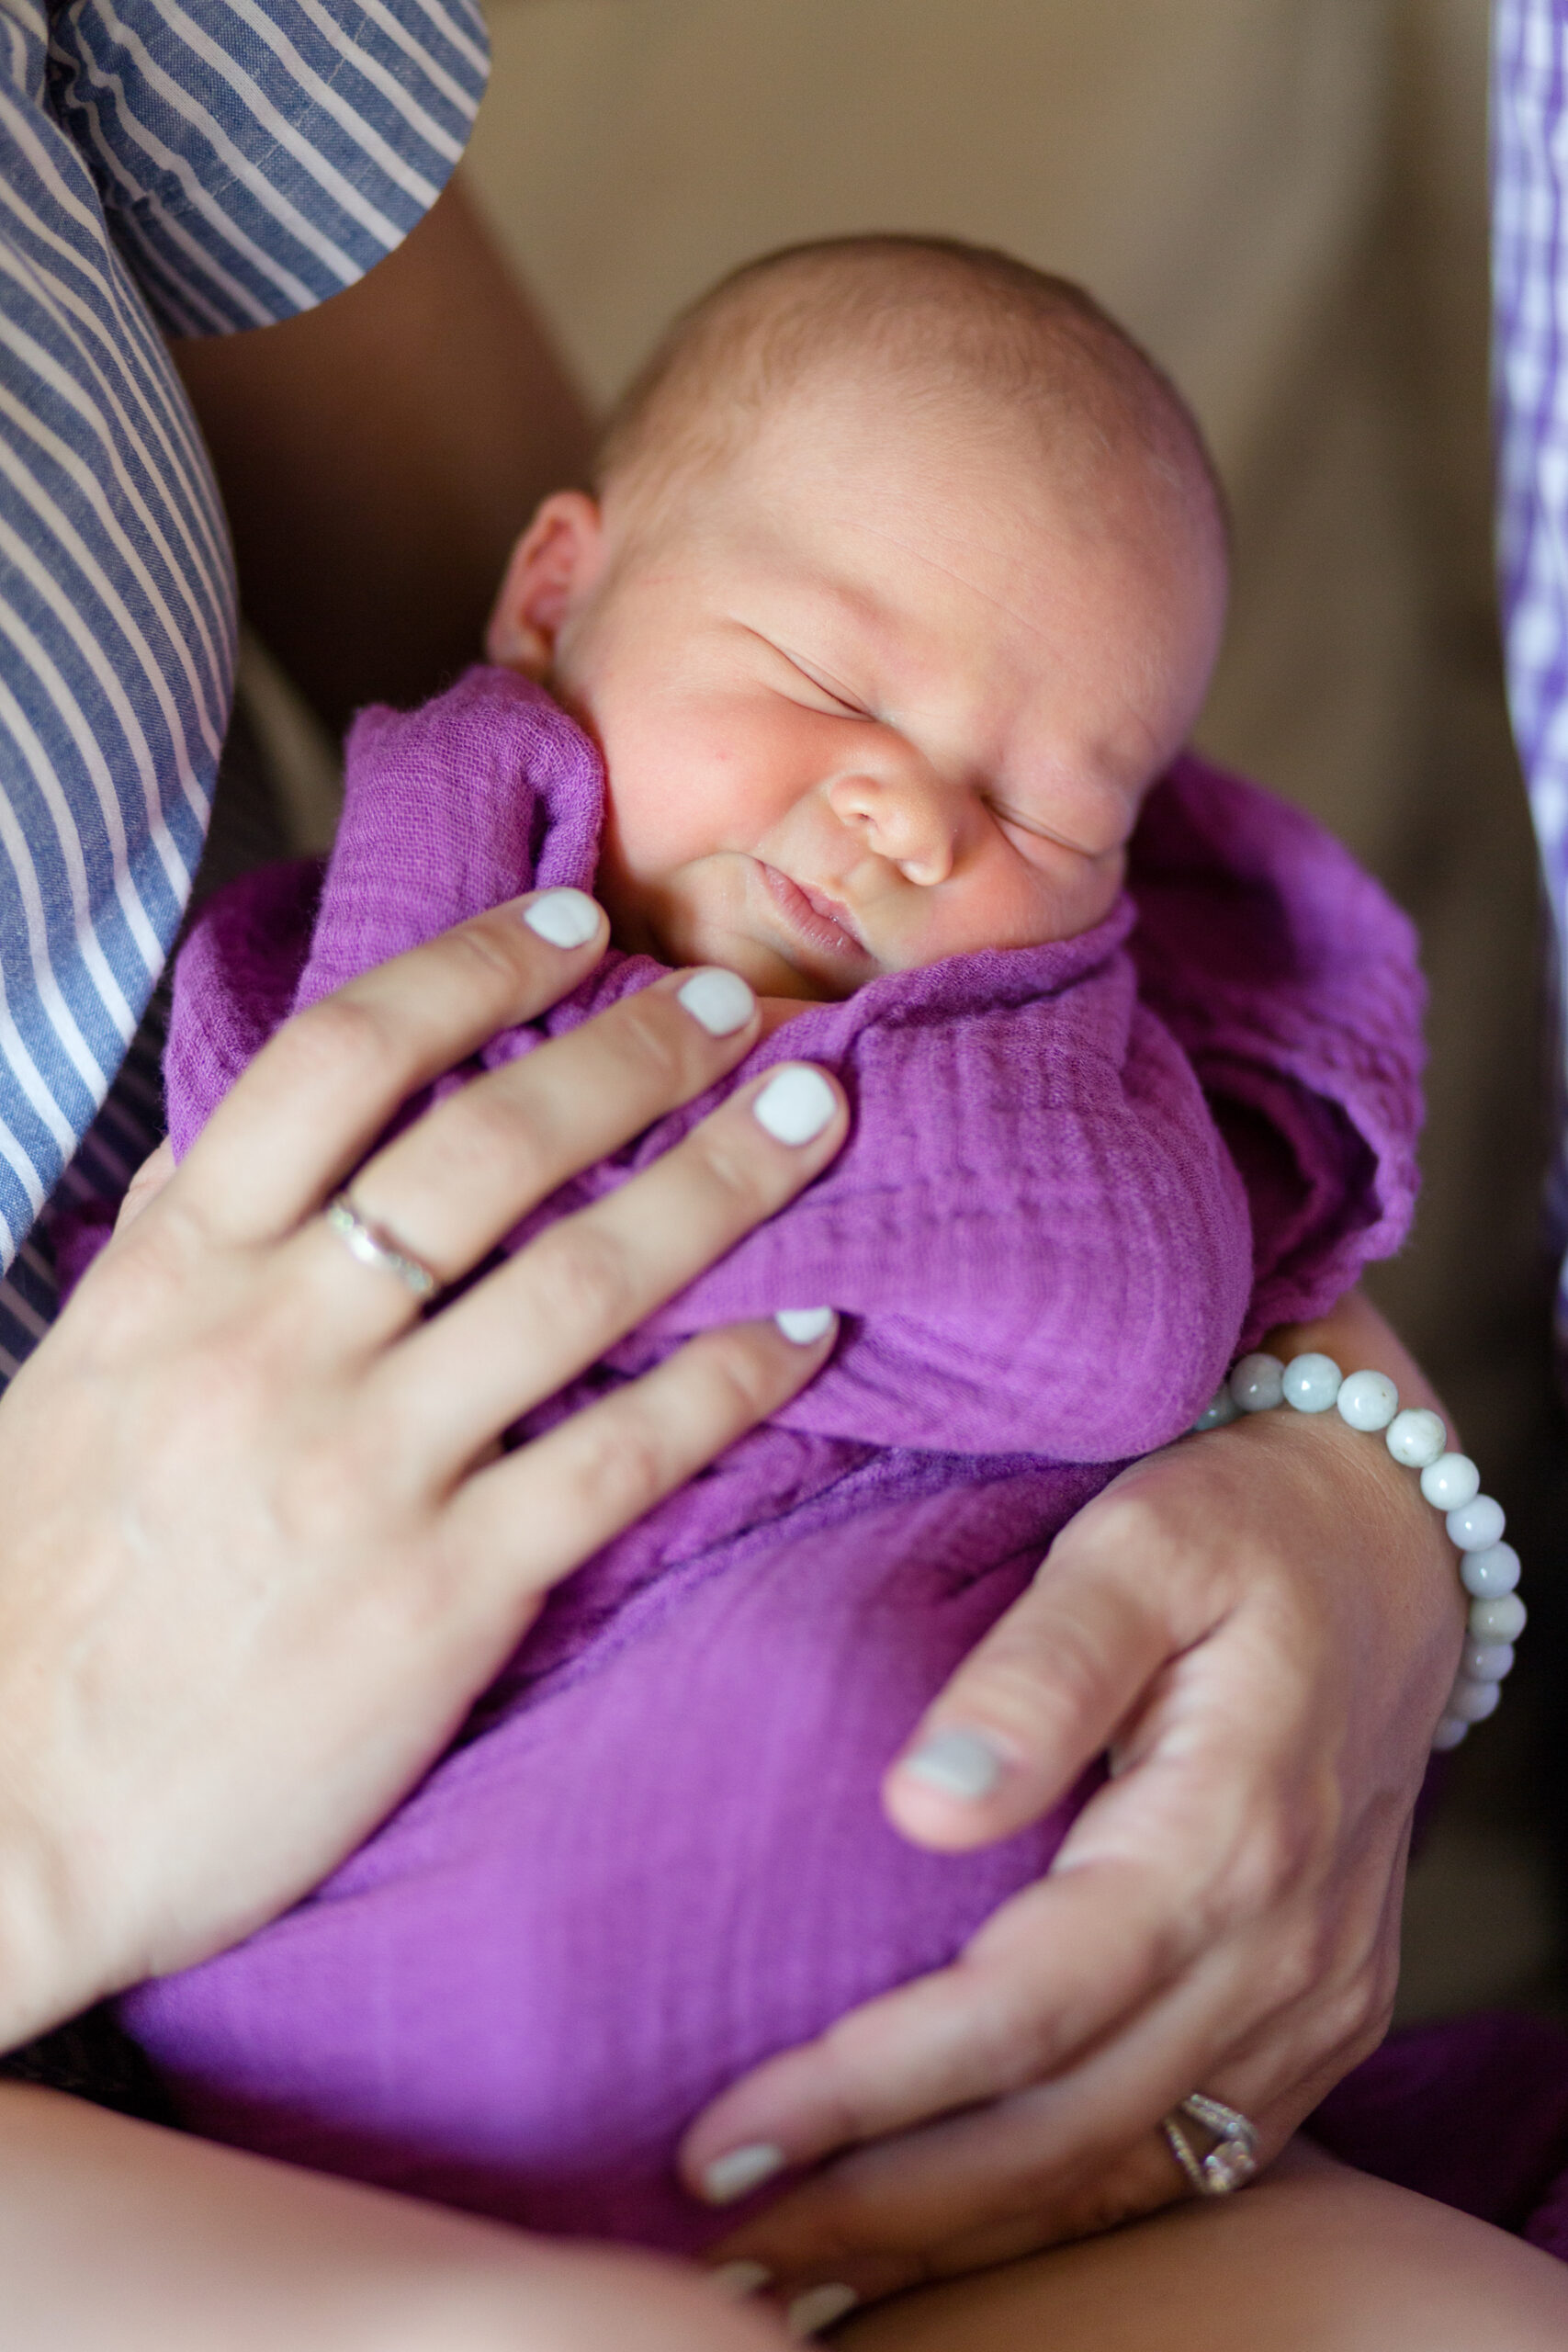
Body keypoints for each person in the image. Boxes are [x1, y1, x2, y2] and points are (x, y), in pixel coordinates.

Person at [2, 3, 1549, 2345]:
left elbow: (742, 542)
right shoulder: (462, 872)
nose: (910, 811)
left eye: (1043, 809)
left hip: (987, 2066)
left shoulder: (917, 949)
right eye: (836, 687)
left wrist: (1365, 1496)